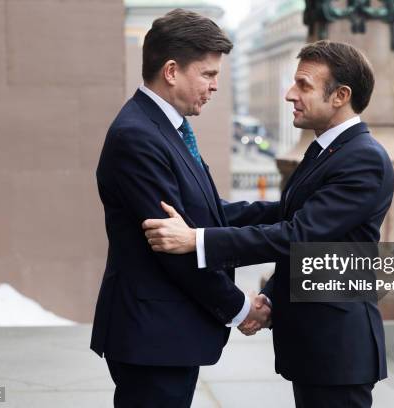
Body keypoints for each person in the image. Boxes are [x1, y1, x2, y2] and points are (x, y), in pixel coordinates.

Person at [143, 40, 394, 408]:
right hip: (317, 345)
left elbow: (299, 235)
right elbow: (288, 219)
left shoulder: (364, 159)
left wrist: (198, 241)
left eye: (304, 86)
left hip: (337, 349)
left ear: (341, 95)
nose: (291, 94)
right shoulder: (328, 149)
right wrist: (270, 296)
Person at [89, 9, 272, 408]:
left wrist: (285, 212)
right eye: (208, 74)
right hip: (151, 338)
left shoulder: (164, 128)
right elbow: (174, 251)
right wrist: (240, 309)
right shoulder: (137, 136)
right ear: (171, 70)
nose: (215, 86)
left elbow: (205, 215)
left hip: (164, 335)